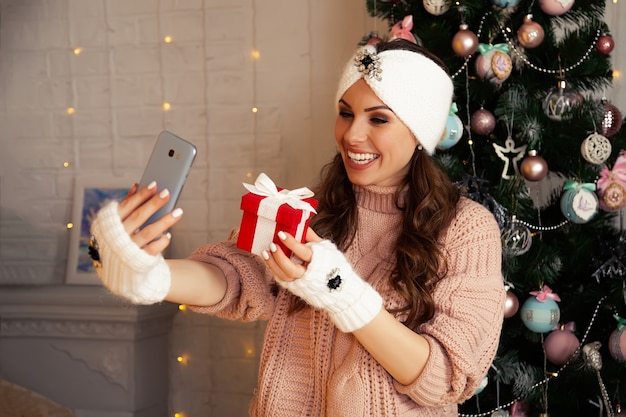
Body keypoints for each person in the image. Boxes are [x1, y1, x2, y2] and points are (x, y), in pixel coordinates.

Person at [89, 30, 505, 417]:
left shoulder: (466, 229)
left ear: (419, 132)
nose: (352, 135)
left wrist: (341, 293)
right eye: (345, 113)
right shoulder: (310, 208)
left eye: (378, 119)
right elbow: (236, 276)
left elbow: (446, 378)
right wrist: (147, 274)